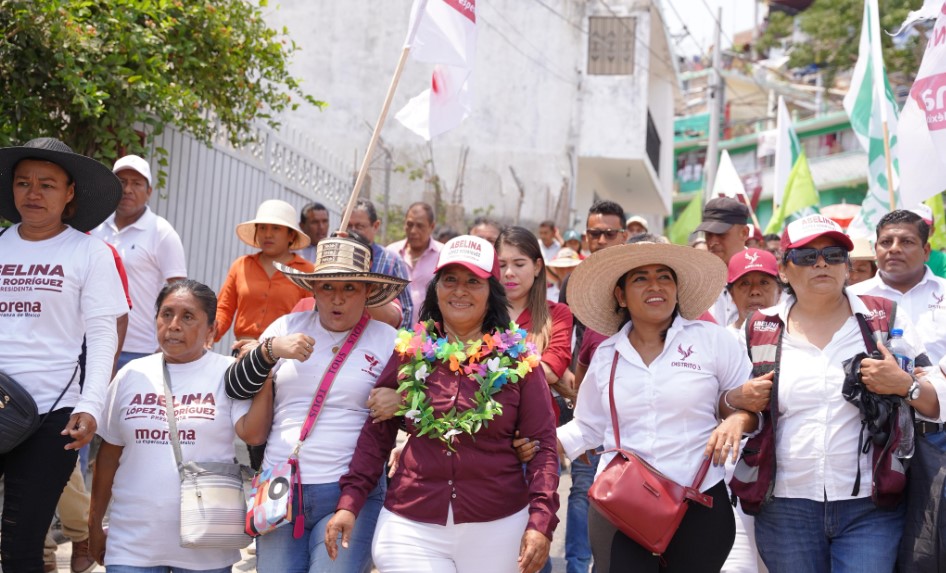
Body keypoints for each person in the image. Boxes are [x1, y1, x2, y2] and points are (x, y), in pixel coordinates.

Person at [326, 235, 560, 573]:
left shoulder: (519, 360)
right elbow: (376, 435)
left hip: (498, 524)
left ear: (491, 291)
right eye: (449, 279)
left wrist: (540, 521)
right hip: (411, 521)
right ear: (436, 287)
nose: (459, 290)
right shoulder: (409, 352)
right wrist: (349, 503)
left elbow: (543, 448)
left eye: (472, 282)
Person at [725, 215, 946, 572]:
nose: (822, 263)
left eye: (833, 254)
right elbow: (728, 402)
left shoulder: (884, 320)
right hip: (784, 507)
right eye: (806, 257)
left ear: (847, 266)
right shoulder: (757, 329)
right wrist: (736, 406)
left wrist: (904, 385)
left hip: (870, 506)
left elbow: (937, 402)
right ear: (784, 269)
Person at [555, 241, 757, 571]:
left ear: (677, 290)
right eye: (640, 278)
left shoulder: (712, 341)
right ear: (620, 296)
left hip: (700, 503)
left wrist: (738, 420)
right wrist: (548, 443)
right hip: (620, 506)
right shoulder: (607, 356)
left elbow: (752, 409)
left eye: (664, 277)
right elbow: (589, 425)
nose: (655, 286)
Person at [226, 234, 408, 573]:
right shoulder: (286, 327)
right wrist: (269, 351)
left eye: (350, 288)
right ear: (313, 290)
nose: (337, 299)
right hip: (279, 488)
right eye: (327, 288)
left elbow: (420, 416)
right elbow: (234, 386)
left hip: (352, 492)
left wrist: (402, 401)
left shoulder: (389, 342)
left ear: (368, 292)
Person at [0, 137, 129, 571]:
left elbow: (103, 334)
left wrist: (91, 404)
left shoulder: (89, 252)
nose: (33, 194)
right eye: (23, 183)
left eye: (47, 185)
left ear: (70, 192)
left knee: (22, 542)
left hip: (53, 414)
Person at [88, 280, 272, 571]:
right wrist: (94, 523)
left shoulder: (228, 372)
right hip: (132, 544)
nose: (174, 325)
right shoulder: (131, 374)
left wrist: (265, 374)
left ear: (211, 330)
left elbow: (253, 433)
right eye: (166, 314)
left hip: (207, 544)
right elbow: (108, 455)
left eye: (188, 317)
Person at [556, 199, 627, 573]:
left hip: (633, 412)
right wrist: (569, 380)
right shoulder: (574, 281)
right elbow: (567, 338)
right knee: (584, 491)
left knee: (633, 496)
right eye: (593, 233)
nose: (600, 240)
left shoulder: (638, 274)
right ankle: (577, 566)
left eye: (608, 233)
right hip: (588, 407)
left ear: (624, 235)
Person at [91, 154, 187, 369]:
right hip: (91, 343)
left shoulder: (161, 232)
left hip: (139, 349)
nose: (127, 190)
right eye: (121, 182)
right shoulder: (95, 227)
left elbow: (180, 294)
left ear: (149, 192)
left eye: (136, 183)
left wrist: (165, 345)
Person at [722, 248, 782, 573]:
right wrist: (736, 399)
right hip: (731, 481)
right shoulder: (716, 340)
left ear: (779, 287)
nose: (755, 290)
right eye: (744, 284)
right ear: (730, 292)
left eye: (763, 282)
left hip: (787, 483)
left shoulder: (796, 336)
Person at [496, 226, 575, 422]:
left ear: (537, 266)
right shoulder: (481, 314)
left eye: (519, 264)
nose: (509, 273)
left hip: (537, 428)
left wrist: (490, 369)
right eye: (502, 265)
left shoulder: (557, 314)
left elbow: (550, 371)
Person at [849, 209, 946, 365]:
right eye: (886, 242)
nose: (894, 249)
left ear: (926, 251)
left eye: (906, 241)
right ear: (875, 249)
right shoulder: (851, 299)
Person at [214, 199, 314, 349]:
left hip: (284, 356)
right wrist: (209, 331)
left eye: (275, 228)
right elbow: (224, 309)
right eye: (262, 228)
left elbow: (312, 317)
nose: (268, 234)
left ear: (291, 235)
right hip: (243, 352)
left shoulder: (307, 271)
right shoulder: (241, 265)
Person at [346, 198, 414, 329]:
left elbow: (406, 311)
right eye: (349, 226)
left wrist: (394, 345)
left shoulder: (392, 261)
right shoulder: (333, 258)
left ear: (375, 226)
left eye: (359, 226)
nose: (353, 231)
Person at [697, 197, 750, 326]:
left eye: (721, 234)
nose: (713, 242)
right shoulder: (697, 283)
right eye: (708, 234)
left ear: (744, 233)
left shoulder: (766, 278)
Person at [388, 202, 443, 325]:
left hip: (431, 334)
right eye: (409, 224)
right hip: (394, 332)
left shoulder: (443, 255)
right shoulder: (391, 254)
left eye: (420, 226)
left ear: (432, 226)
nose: (413, 231)